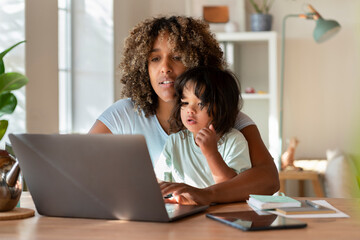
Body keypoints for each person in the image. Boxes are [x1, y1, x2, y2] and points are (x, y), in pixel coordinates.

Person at [89, 15, 279, 205]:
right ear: (142, 66)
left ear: (198, 61)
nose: (165, 68)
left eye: (177, 57)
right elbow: (80, 169)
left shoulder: (227, 117)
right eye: (155, 58)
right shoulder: (124, 113)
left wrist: (207, 194)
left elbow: (269, 180)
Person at [155, 66, 252, 191]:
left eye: (201, 103)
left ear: (222, 108)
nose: (190, 110)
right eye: (185, 103)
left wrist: (211, 153)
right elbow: (159, 185)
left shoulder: (234, 141)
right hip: (186, 208)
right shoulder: (175, 141)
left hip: (223, 209)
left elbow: (233, 189)